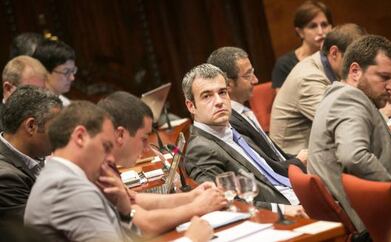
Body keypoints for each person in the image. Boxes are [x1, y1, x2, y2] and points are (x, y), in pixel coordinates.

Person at [24, 101, 215, 242]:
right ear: (80, 137)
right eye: (106, 147)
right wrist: (191, 240)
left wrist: (124, 212)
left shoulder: (63, 177)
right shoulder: (68, 188)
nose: (110, 158)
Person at [308, 35, 391, 232]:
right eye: (384, 77)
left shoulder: (343, 95)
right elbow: (353, 156)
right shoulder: (349, 98)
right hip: (379, 222)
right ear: (355, 71)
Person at [182, 63, 307, 217]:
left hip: (298, 191)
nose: (219, 101)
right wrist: (282, 210)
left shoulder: (231, 129)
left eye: (222, 92)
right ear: (191, 106)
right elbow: (225, 203)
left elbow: (270, 171)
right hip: (285, 211)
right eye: (207, 96)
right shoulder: (200, 150)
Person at [97, 91, 227, 236]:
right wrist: (197, 207)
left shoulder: (105, 163)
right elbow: (146, 226)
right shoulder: (99, 170)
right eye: (144, 138)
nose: (147, 147)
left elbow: (136, 199)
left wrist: (192, 196)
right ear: (120, 135)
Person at [269, 23, 366, 155]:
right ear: (334, 53)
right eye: (353, 60)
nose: (358, 67)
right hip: (295, 159)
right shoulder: (308, 78)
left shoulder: (328, 66)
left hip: (321, 149)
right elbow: (341, 122)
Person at [207, 46, 307, 173]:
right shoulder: (229, 122)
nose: (255, 80)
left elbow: (276, 156)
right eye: (248, 75)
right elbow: (264, 169)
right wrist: (298, 162)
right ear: (227, 84)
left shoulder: (243, 111)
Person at [0, 86, 62, 223]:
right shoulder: (5, 178)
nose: (61, 136)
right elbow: (40, 231)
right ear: (31, 126)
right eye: (56, 127)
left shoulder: (33, 153)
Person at [271, 0, 332, 90]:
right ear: (300, 32)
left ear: (331, 27)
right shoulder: (284, 64)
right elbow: (283, 102)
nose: (320, 32)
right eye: (313, 26)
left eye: (324, 25)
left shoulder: (336, 56)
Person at [32, 39, 76, 106]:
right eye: (66, 72)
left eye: (73, 71)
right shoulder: (38, 108)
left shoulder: (65, 103)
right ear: (44, 72)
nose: (72, 78)